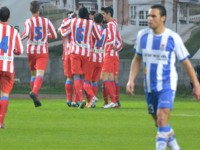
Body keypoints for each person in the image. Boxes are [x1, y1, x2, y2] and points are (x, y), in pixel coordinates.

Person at [126, 4, 200, 150]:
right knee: (160, 123)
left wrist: (197, 85)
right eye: (148, 16)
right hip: (150, 87)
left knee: (161, 118)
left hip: (167, 84)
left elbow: (186, 62)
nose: (149, 18)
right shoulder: (143, 36)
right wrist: (131, 79)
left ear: (163, 18)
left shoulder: (173, 38)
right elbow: (137, 59)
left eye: (153, 16)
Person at [60, 7, 101, 109]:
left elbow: (63, 26)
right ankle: (89, 98)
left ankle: (81, 99)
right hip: (86, 53)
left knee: (76, 76)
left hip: (75, 52)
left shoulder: (73, 21)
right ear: (87, 15)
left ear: (78, 14)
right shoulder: (91, 23)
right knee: (84, 78)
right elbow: (98, 37)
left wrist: (69, 19)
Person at [21, 0, 57, 107]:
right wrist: (46, 35)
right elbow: (54, 35)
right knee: (40, 74)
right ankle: (34, 92)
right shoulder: (46, 21)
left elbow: (26, 34)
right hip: (42, 50)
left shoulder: (28, 21)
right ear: (39, 10)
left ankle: (35, 98)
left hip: (31, 50)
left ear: (30, 10)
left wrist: (17, 39)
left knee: (33, 74)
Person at [0, 6, 24, 128]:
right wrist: (12, 50)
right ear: (9, 17)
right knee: (4, 94)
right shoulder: (13, 32)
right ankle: (0, 122)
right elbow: (20, 50)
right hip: (7, 67)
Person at [84, 13, 108, 108]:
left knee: (85, 81)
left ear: (94, 20)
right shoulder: (106, 30)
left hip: (92, 57)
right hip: (101, 57)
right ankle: (91, 103)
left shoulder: (92, 29)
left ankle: (92, 98)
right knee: (94, 82)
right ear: (102, 21)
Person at [101, 7, 123, 108]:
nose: (103, 16)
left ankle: (113, 101)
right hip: (114, 55)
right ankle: (115, 101)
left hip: (109, 54)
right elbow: (119, 42)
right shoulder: (114, 23)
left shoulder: (110, 24)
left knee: (104, 77)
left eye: (104, 14)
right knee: (111, 78)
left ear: (109, 13)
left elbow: (111, 39)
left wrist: (105, 44)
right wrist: (117, 47)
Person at [58, 11, 77, 107]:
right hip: (75, 53)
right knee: (77, 77)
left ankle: (69, 99)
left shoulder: (65, 22)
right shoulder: (78, 22)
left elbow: (59, 31)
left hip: (66, 53)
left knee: (69, 77)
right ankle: (74, 99)